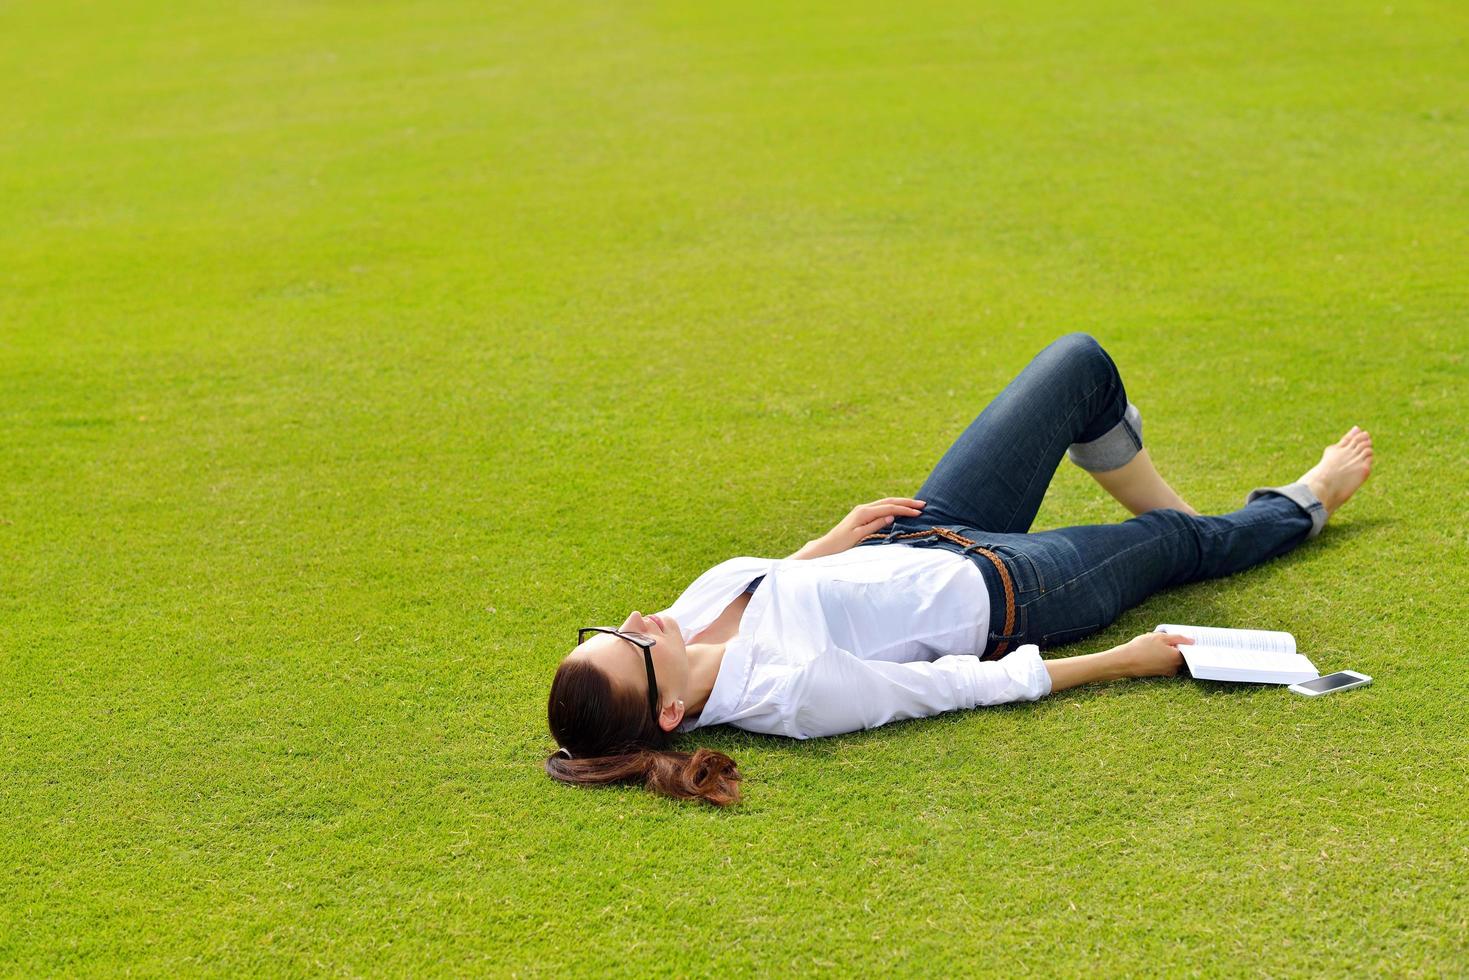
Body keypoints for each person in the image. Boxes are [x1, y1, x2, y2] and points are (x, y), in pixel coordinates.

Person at [545, 333, 1373, 805]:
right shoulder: (786, 696)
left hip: (924, 531)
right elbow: (947, 688)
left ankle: (1197, 533)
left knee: (1076, 366)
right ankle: (1301, 503)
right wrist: (1120, 661)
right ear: (672, 712)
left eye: (611, 630)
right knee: (1167, 544)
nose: (641, 621)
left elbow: (771, 582)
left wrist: (826, 543)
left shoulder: (680, 625)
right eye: (634, 646)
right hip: (1013, 588)